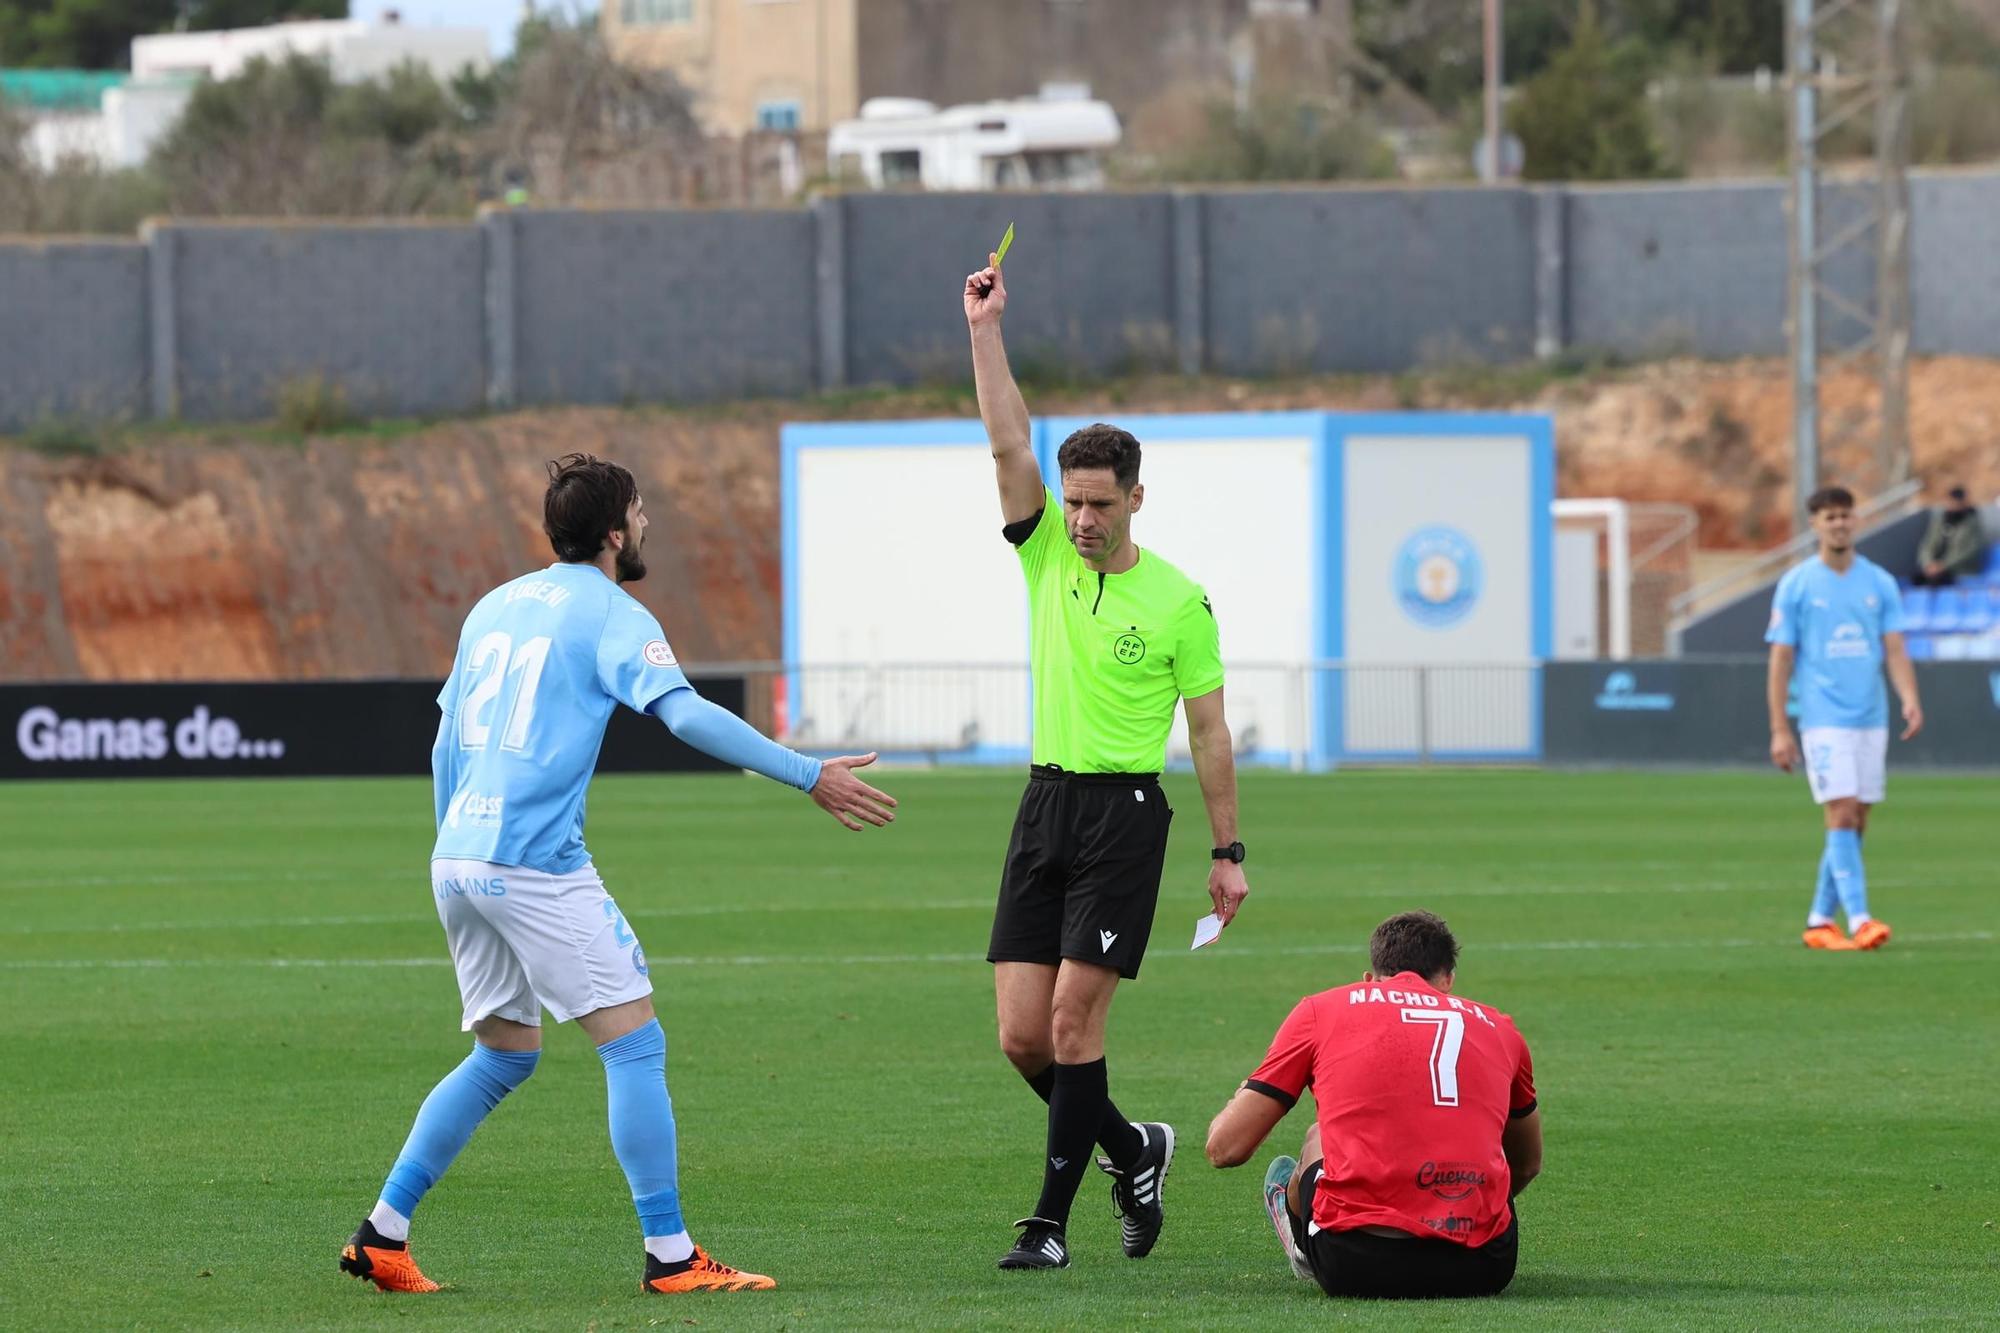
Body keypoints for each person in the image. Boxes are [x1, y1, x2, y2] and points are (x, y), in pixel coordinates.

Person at [339, 453, 897, 1296]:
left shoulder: (494, 605)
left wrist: (456, 843)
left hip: (458, 853)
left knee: (504, 1054)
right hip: (532, 861)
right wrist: (807, 772)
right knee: (635, 1043)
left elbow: (444, 737)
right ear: (612, 531)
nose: (647, 525)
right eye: (640, 513)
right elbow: (685, 714)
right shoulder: (610, 609)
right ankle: (671, 1256)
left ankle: (383, 1233)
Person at [963, 250, 1251, 1271]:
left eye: (1098, 503)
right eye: (1071, 502)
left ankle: (1046, 1226)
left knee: (1074, 1022)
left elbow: (1208, 732)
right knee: (1021, 1038)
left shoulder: (1178, 599)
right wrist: (984, 331)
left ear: (1135, 498)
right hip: (1042, 807)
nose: (1079, 520)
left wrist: (1228, 850)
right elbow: (1006, 441)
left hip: (1126, 815)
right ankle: (1132, 1149)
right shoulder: (1041, 551)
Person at [1205, 911, 1541, 1300]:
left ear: (1369, 978)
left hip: (1354, 1264)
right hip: (1482, 1266)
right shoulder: (1500, 1026)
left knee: (1319, 1136)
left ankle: (1303, 1245)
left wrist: (1252, 1086)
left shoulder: (1325, 1008)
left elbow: (1224, 1148)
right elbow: (1529, 1163)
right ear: (1448, 980)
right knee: (1480, 1144)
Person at [1767, 485, 1923, 952]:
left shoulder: (1878, 583)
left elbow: (1894, 648)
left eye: (1845, 516)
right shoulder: (1797, 584)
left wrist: (1909, 698)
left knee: (1857, 821)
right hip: (1823, 717)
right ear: (1814, 525)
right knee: (1841, 809)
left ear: (1856, 521)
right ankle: (1860, 919)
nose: (1839, 524)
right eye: (1829, 517)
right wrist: (1780, 727)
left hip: (1870, 716)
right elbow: (1780, 659)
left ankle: (1819, 919)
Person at [1911, 485, 1986, 587]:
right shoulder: (1940, 521)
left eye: (1955, 503)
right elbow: (1928, 545)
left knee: (1937, 582)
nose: (1951, 505)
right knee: (1917, 579)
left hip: (1959, 569)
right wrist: (1928, 564)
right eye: (1949, 502)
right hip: (1936, 568)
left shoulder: (1971, 524)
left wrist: (1943, 565)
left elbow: (1969, 551)